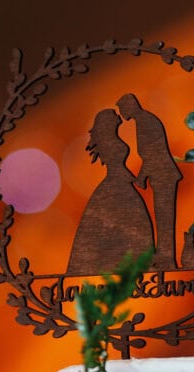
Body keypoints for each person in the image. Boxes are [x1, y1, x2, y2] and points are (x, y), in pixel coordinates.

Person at [66, 109, 155, 276]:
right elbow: (116, 167)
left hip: (123, 184)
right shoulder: (110, 143)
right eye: (114, 115)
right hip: (117, 185)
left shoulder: (114, 139)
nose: (118, 117)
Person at [116, 93, 183, 270]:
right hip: (159, 174)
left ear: (130, 106)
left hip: (163, 175)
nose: (121, 113)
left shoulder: (146, 122)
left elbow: (153, 154)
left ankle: (167, 259)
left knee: (164, 218)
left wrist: (141, 177)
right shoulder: (143, 121)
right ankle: (164, 257)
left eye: (122, 109)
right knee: (162, 216)